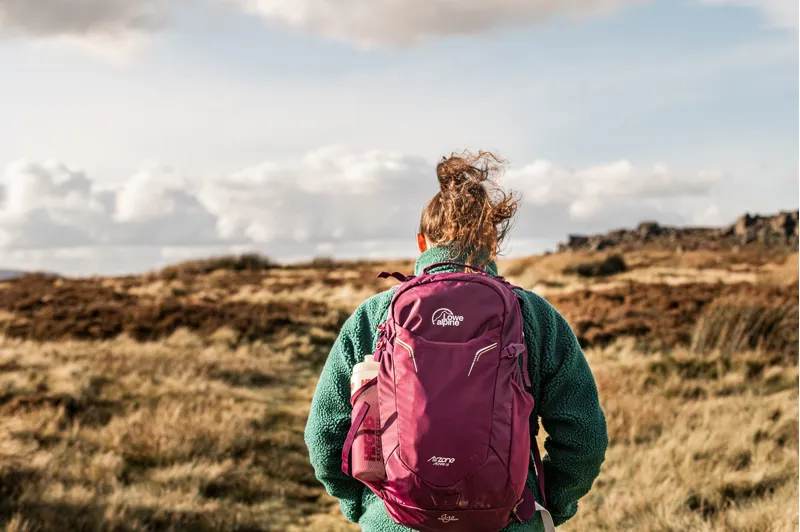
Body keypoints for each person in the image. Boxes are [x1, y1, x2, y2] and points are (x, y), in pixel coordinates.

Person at [304, 150, 608, 531]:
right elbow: (584, 438)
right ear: (493, 245)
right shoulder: (536, 316)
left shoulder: (374, 314)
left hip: (395, 521)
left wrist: (366, 508)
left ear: (421, 243)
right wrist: (546, 508)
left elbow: (323, 436)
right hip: (508, 520)